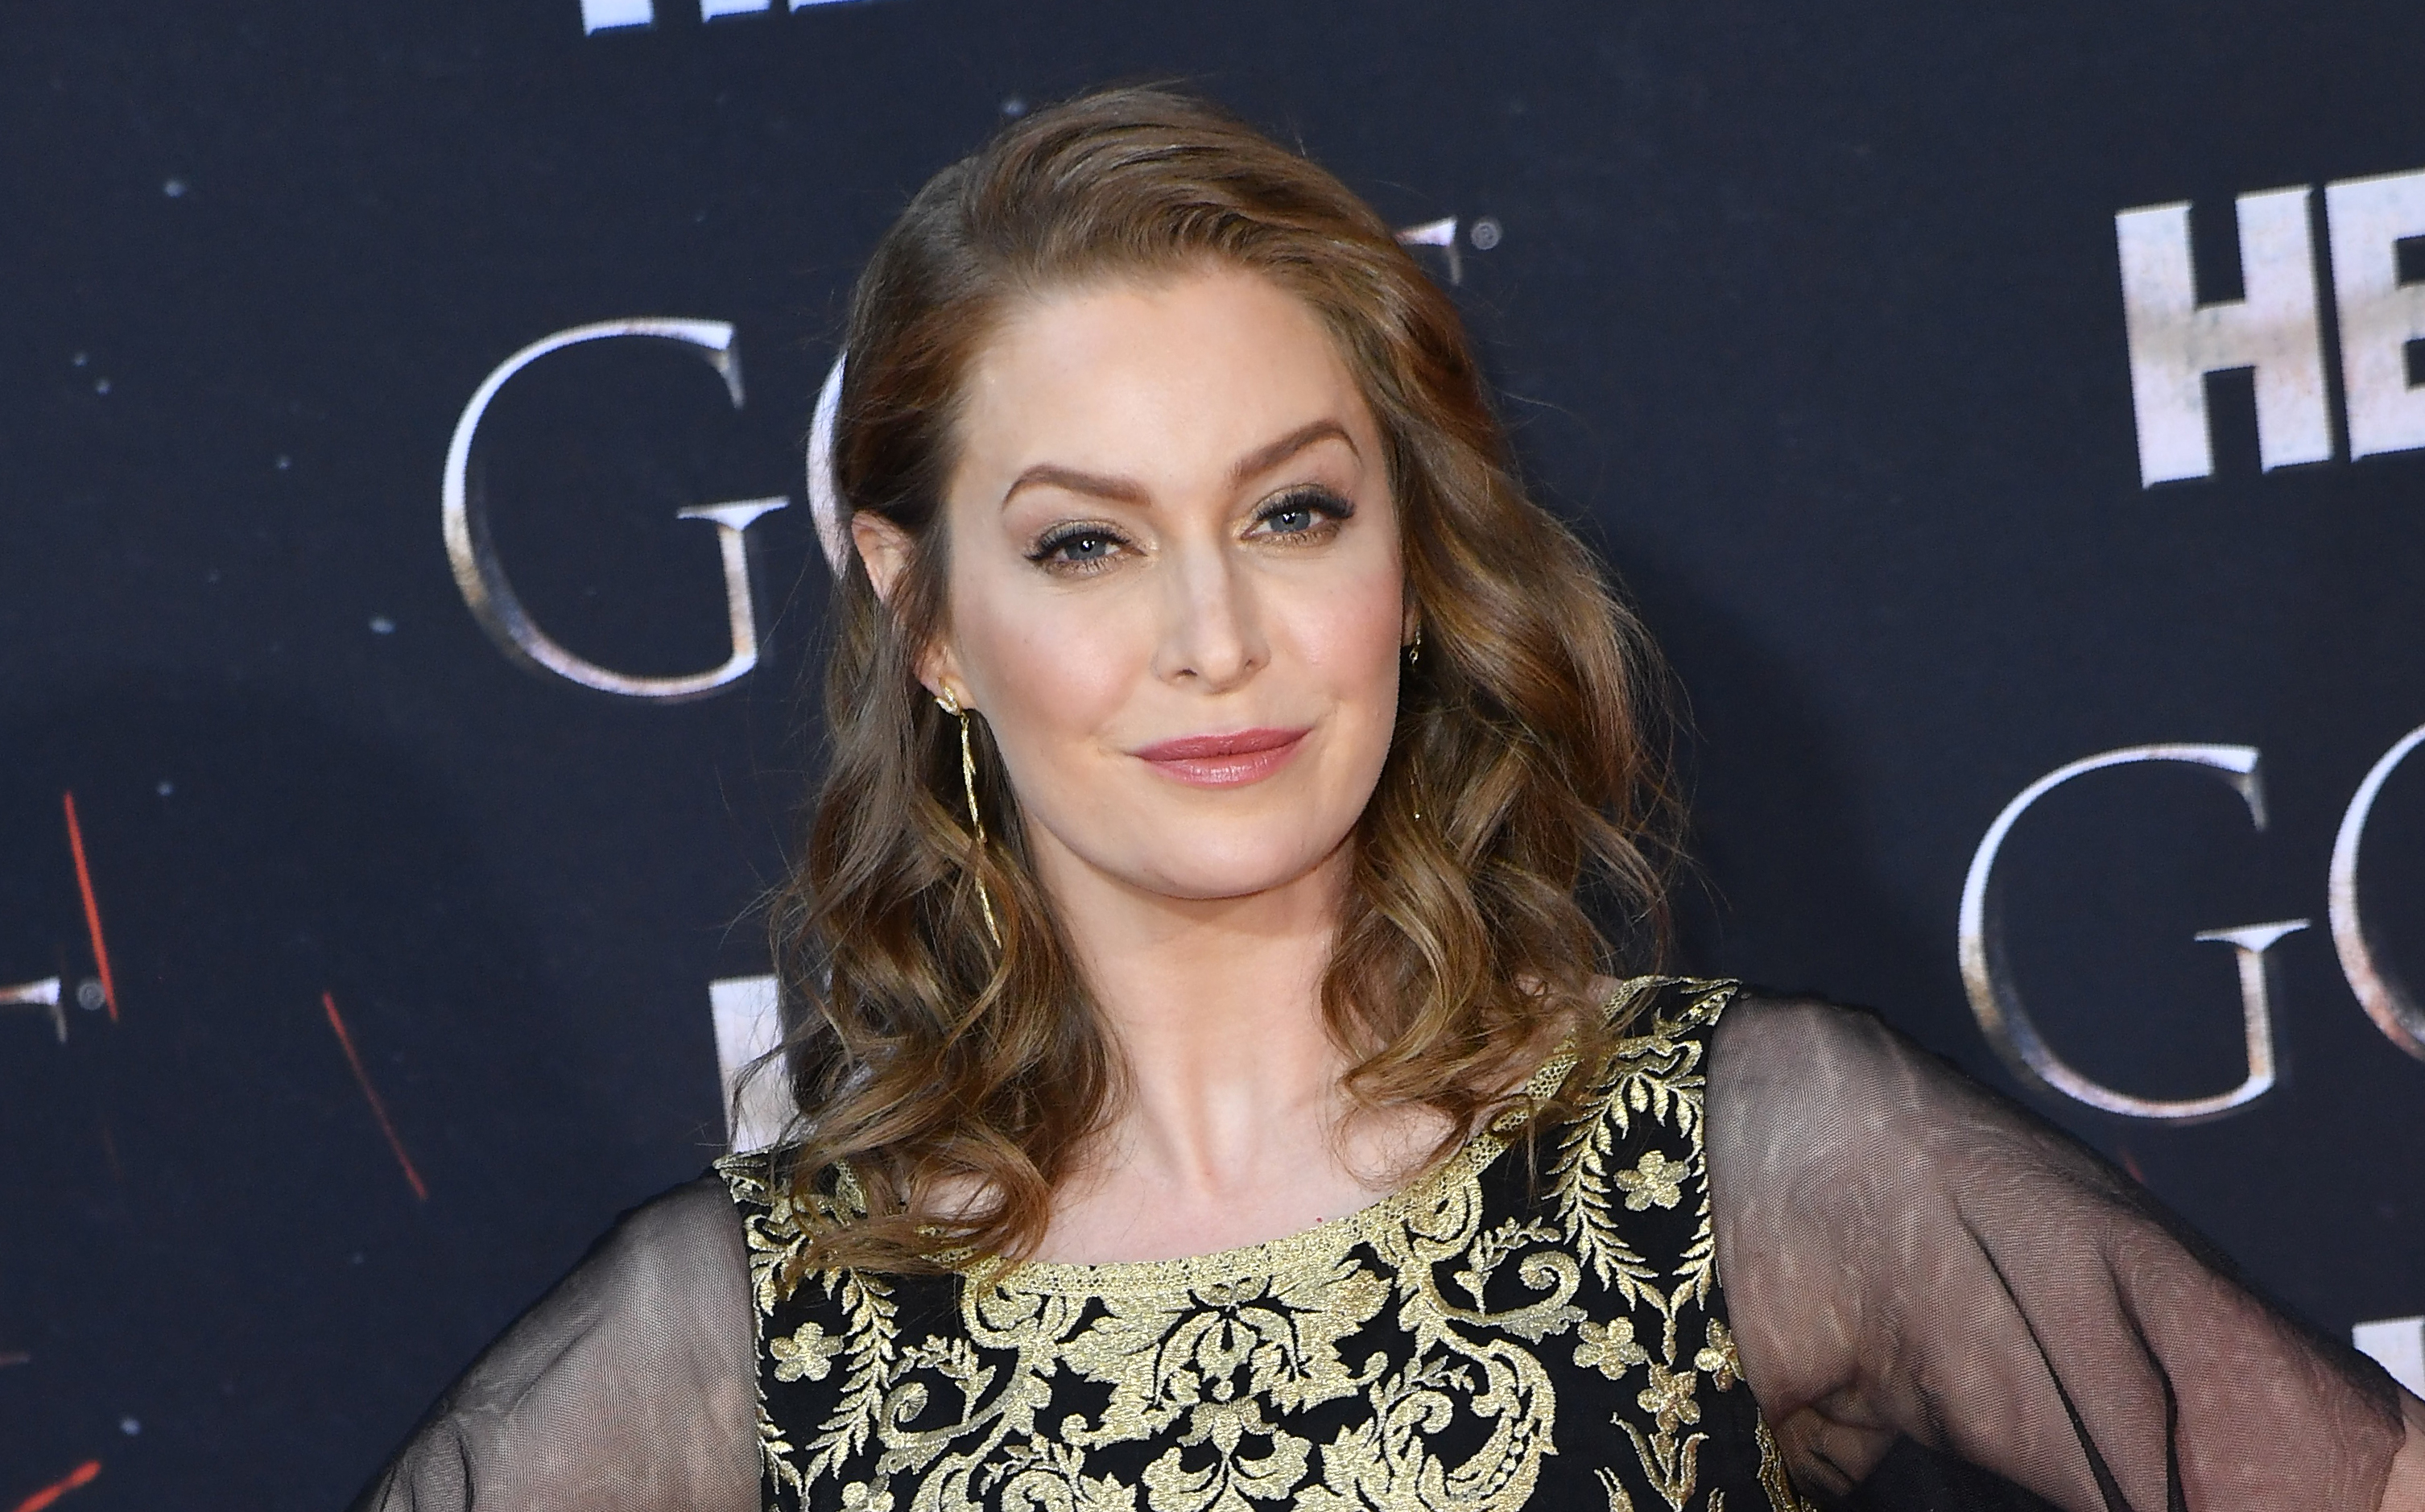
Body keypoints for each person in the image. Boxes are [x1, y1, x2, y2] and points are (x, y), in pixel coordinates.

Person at [351, 86, 2425, 1512]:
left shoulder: (1732, 1169)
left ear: (1409, 564)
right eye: (1084, 544)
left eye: (1293, 513)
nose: (1215, 637)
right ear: (929, 620)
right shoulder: (753, 1349)